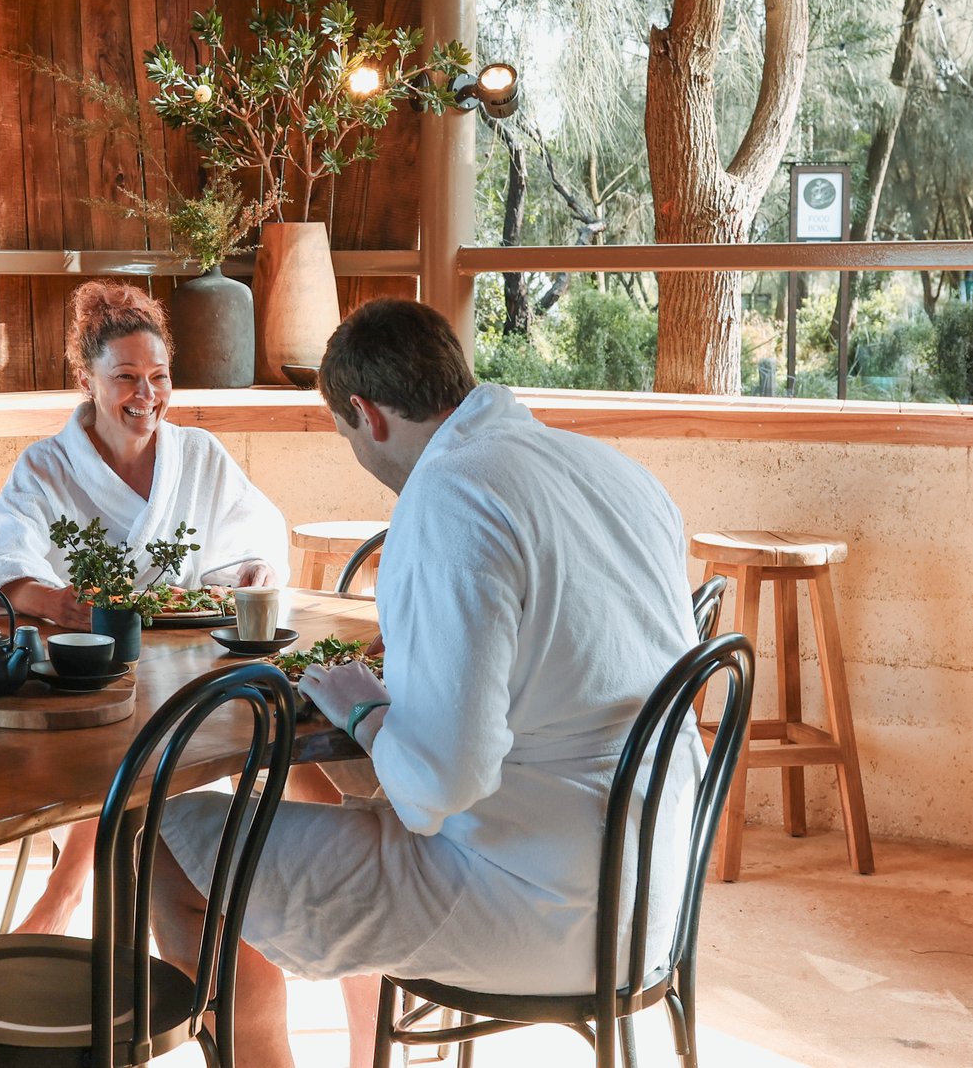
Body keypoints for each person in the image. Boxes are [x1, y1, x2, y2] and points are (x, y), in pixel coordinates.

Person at [149, 298, 705, 1068]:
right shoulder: (616, 472)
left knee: (162, 841)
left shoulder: (450, 496)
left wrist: (363, 709)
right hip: (651, 884)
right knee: (346, 788)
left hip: (538, 905)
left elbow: (442, 780)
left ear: (364, 414)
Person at [0, 280, 290, 935]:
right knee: (121, 738)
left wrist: (249, 566)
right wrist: (56, 600)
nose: (146, 396)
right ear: (86, 380)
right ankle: (68, 891)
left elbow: (249, 536)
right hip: (85, 670)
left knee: (282, 717)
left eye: (159, 377)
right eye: (125, 378)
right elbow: (2, 573)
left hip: (192, 664)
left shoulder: (198, 455)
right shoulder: (46, 467)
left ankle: (287, 898)